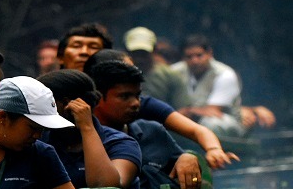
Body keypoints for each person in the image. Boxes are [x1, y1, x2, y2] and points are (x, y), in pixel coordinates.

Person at [38, 69, 164, 189]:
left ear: (67, 105)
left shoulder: (120, 142)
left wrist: (87, 128)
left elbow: (104, 186)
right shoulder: (40, 144)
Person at [87, 60, 205, 189]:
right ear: (97, 99)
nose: (135, 103)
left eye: (137, 96)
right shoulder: (82, 139)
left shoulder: (152, 131)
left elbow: (180, 158)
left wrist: (187, 156)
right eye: (124, 96)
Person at [85, 49, 240, 172]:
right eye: (124, 71)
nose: (134, 102)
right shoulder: (78, 127)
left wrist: (211, 150)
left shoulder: (148, 122)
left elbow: (196, 130)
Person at [171, 35, 247, 138]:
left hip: (226, 123)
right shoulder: (174, 71)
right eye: (189, 57)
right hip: (190, 120)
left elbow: (212, 111)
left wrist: (187, 111)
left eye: (199, 55)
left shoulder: (225, 74)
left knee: (211, 123)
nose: (195, 61)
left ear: (209, 54)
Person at [123, 26, 190, 109]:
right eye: (136, 53)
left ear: (154, 50)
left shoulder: (170, 76)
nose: (140, 58)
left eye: (144, 53)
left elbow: (183, 108)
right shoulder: (119, 76)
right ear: (126, 52)